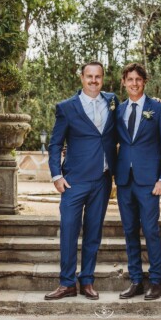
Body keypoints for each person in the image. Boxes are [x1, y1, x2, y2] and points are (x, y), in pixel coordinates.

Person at [45, 61, 118, 300]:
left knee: (93, 233)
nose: (94, 81)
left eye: (98, 76)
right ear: (82, 78)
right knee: (68, 231)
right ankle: (67, 283)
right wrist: (57, 175)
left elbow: (135, 106)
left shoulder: (112, 101)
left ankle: (87, 281)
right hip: (74, 181)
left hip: (103, 180)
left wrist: (156, 102)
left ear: (103, 78)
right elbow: (55, 143)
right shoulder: (66, 107)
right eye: (89, 76)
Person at [116, 63, 161, 300]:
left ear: (144, 82)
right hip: (124, 180)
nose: (134, 83)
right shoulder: (118, 110)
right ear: (124, 82)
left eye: (138, 79)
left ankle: (156, 281)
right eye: (130, 79)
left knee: (150, 230)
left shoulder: (158, 110)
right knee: (130, 230)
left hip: (150, 181)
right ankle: (136, 280)